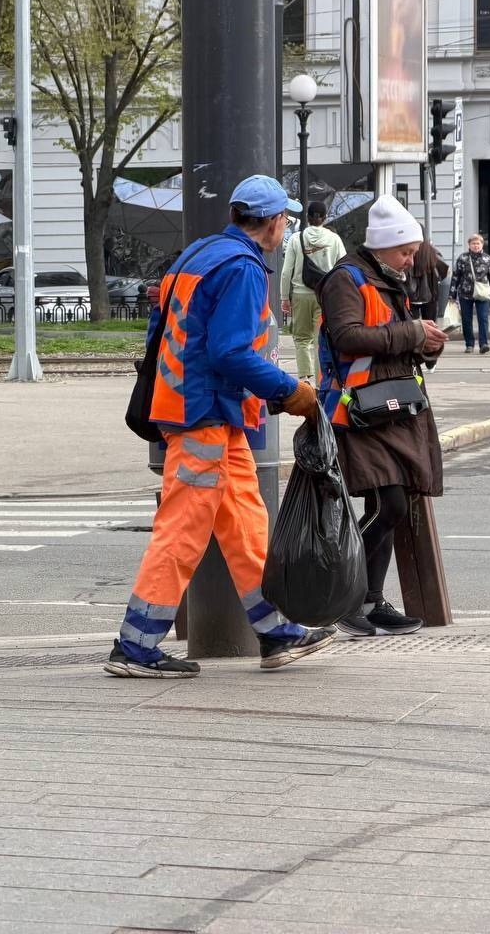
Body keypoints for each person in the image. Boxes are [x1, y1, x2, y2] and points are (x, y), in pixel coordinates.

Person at [104, 174, 336, 678]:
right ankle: (135, 645)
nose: (286, 227)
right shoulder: (244, 268)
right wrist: (289, 391)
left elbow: (160, 328)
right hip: (204, 413)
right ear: (273, 223)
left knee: (245, 523)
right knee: (182, 529)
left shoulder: (199, 255)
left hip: (200, 411)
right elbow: (230, 352)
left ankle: (276, 631)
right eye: (286, 219)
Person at [317, 194, 447, 638]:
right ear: (383, 247)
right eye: (406, 251)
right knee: (387, 504)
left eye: (412, 252)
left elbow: (394, 340)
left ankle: (371, 600)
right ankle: (346, 598)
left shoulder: (388, 279)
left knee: (389, 505)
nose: (411, 261)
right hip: (358, 410)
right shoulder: (346, 279)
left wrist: (427, 345)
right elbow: (348, 336)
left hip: (389, 408)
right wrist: (412, 332)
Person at [280, 200, 346, 382]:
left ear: (307, 217)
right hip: (325, 296)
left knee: (301, 339)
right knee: (321, 341)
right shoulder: (334, 239)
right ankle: (320, 380)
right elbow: (343, 268)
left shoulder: (296, 239)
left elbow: (286, 272)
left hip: (300, 295)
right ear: (325, 218)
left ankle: (305, 380)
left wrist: (285, 297)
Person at [449, 233, 490, 354]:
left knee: (483, 318)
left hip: (482, 293)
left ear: (482, 244)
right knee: (466, 320)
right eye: (473, 243)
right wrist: (452, 294)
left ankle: (484, 344)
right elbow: (456, 277)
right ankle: (469, 344)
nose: (476, 246)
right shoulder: (463, 258)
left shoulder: (487, 258)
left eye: (478, 243)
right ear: (469, 245)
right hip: (465, 293)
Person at [408, 239, 449, 322]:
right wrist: (437, 279)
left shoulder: (407, 250)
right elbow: (443, 268)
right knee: (431, 326)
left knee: (412, 327)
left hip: (410, 295)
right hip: (430, 294)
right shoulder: (431, 251)